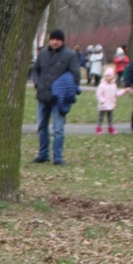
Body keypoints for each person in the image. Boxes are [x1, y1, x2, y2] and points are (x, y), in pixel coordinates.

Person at [30, 29, 79, 165]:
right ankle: (43, 154)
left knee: (58, 129)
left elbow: (75, 75)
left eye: (58, 39)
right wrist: (38, 83)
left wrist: (64, 88)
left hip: (59, 99)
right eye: (52, 39)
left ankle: (58, 157)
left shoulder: (70, 55)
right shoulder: (43, 53)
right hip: (43, 96)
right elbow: (35, 70)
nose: (55, 42)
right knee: (41, 126)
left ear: (62, 41)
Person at [95, 67, 128, 134]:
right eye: (106, 76)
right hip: (103, 105)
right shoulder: (102, 85)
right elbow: (99, 94)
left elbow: (116, 93)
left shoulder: (114, 85)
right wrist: (102, 100)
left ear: (112, 77)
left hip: (111, 104)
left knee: (110, 117)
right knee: (101, 117)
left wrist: (124, 91)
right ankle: (99, 128)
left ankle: (111, 128)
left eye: (109, 76)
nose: (107, 77)